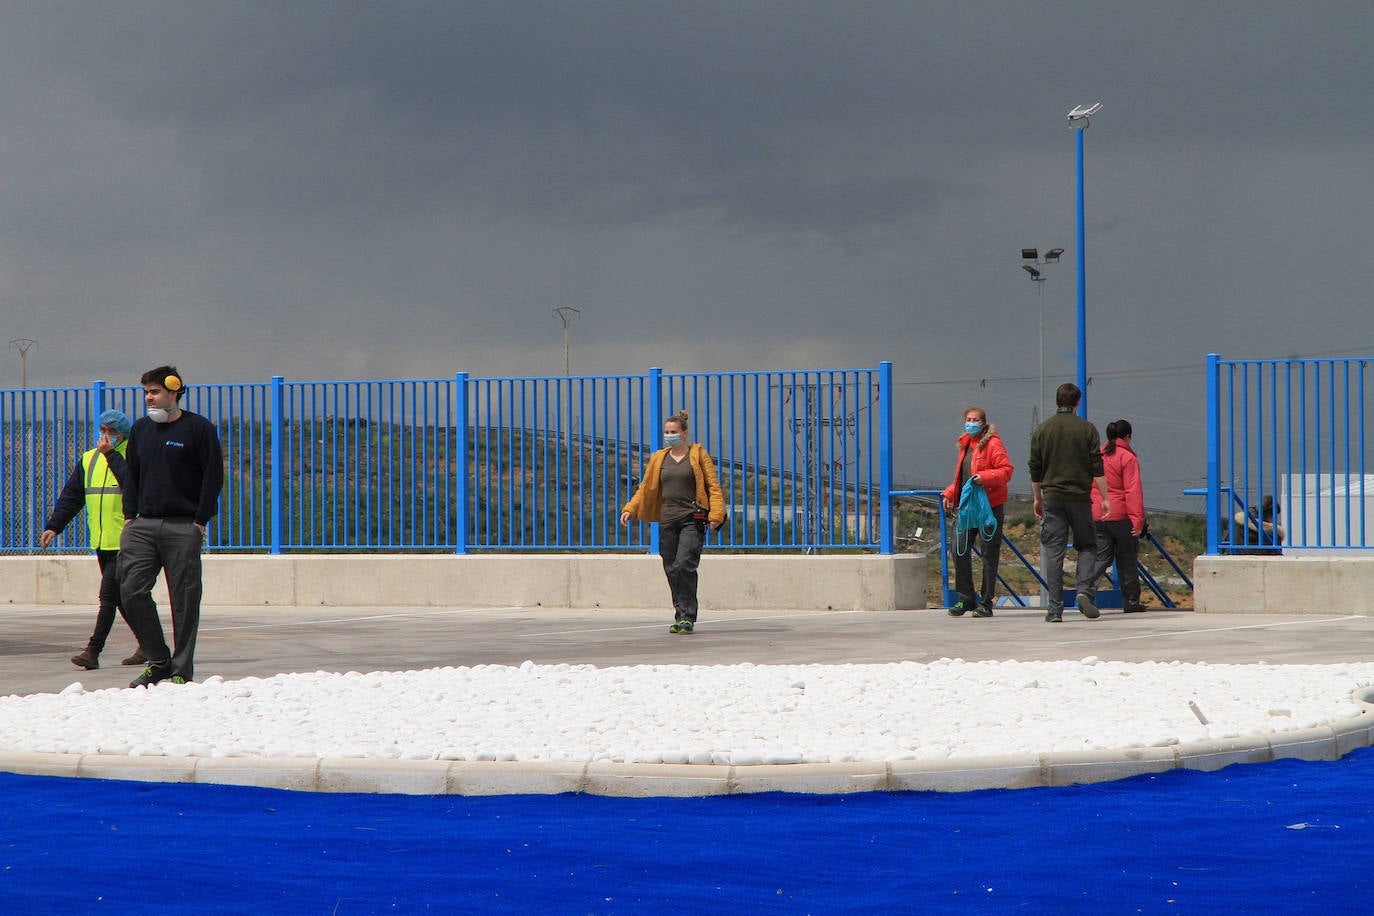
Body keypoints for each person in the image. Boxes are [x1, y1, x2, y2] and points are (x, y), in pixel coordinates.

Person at [120, 366, 224, 687]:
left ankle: (181, 669)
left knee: (184, 600)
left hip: (184, 525)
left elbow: (213, 476)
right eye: (146, 393)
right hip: (144, 524)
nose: (149, 398)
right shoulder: (140, 429)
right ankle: (159, 660)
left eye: (155, 392)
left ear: (174, 390)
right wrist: (129, 516)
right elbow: (132, 474)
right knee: (130, 591)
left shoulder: (198, 428)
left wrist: (200, 521)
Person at [39, 409, 147, 670]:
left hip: (126, 539)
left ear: (124, 434)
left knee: (107, 596)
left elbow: (132, 486)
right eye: (103, 430)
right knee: (121, 598)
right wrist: (54, 526)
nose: (107, 436)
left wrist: (111, 455)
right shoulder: (89, 458)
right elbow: (72, 495)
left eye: (113, 431)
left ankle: (93, 650)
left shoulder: (133, 457)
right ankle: (148, 644)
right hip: (101, 540)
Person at [619, 410, 726, 634]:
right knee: (671, 568)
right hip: (667, 519)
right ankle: (680, 614)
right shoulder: (659, 458)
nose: (669, 436)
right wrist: (630, 508)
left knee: (684, 564)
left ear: (684, 433)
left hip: (692, 518)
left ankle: (687, 617)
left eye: (673, 432)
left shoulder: (698, 455)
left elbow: (713, 486)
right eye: (667, 432)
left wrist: (716, 514)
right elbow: (645, 488)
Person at [1027, 383, 1110, 623]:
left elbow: (1035, 468)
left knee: (1054, 551)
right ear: (1077, 403)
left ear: (1056, 401)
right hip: (1080, 498)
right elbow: (1097, 466)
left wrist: (1037, 498)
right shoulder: (1087, 429)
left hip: (1052, 497)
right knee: (1088, 546)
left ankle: (1055, 609)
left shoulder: (1042, 430)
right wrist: (1105, 498)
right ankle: (1083, 591)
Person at [940, 407, 1014, 618]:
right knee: (958, 549)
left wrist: (986, 477)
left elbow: (1006, 470)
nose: (971, 423)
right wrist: (950, 493)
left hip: (989, 506)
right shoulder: (965, 444)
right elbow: (963, 478)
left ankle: (986, 602)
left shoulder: (993, 444)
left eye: (975, 420)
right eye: (968, 419)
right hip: (967, 507)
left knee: (989, 554)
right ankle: (966, 598)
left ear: (983, 424)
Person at [1077, 419, 1148, 613]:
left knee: (1100, 557)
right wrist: (1138, 521)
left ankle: (1086, 592)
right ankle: (1131, 602)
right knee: (1127, 560)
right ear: (1128, 436)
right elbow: (1133, 491)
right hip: (1121, 516)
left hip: (1097, 514)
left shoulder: (1097, 455)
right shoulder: (1127, 458)